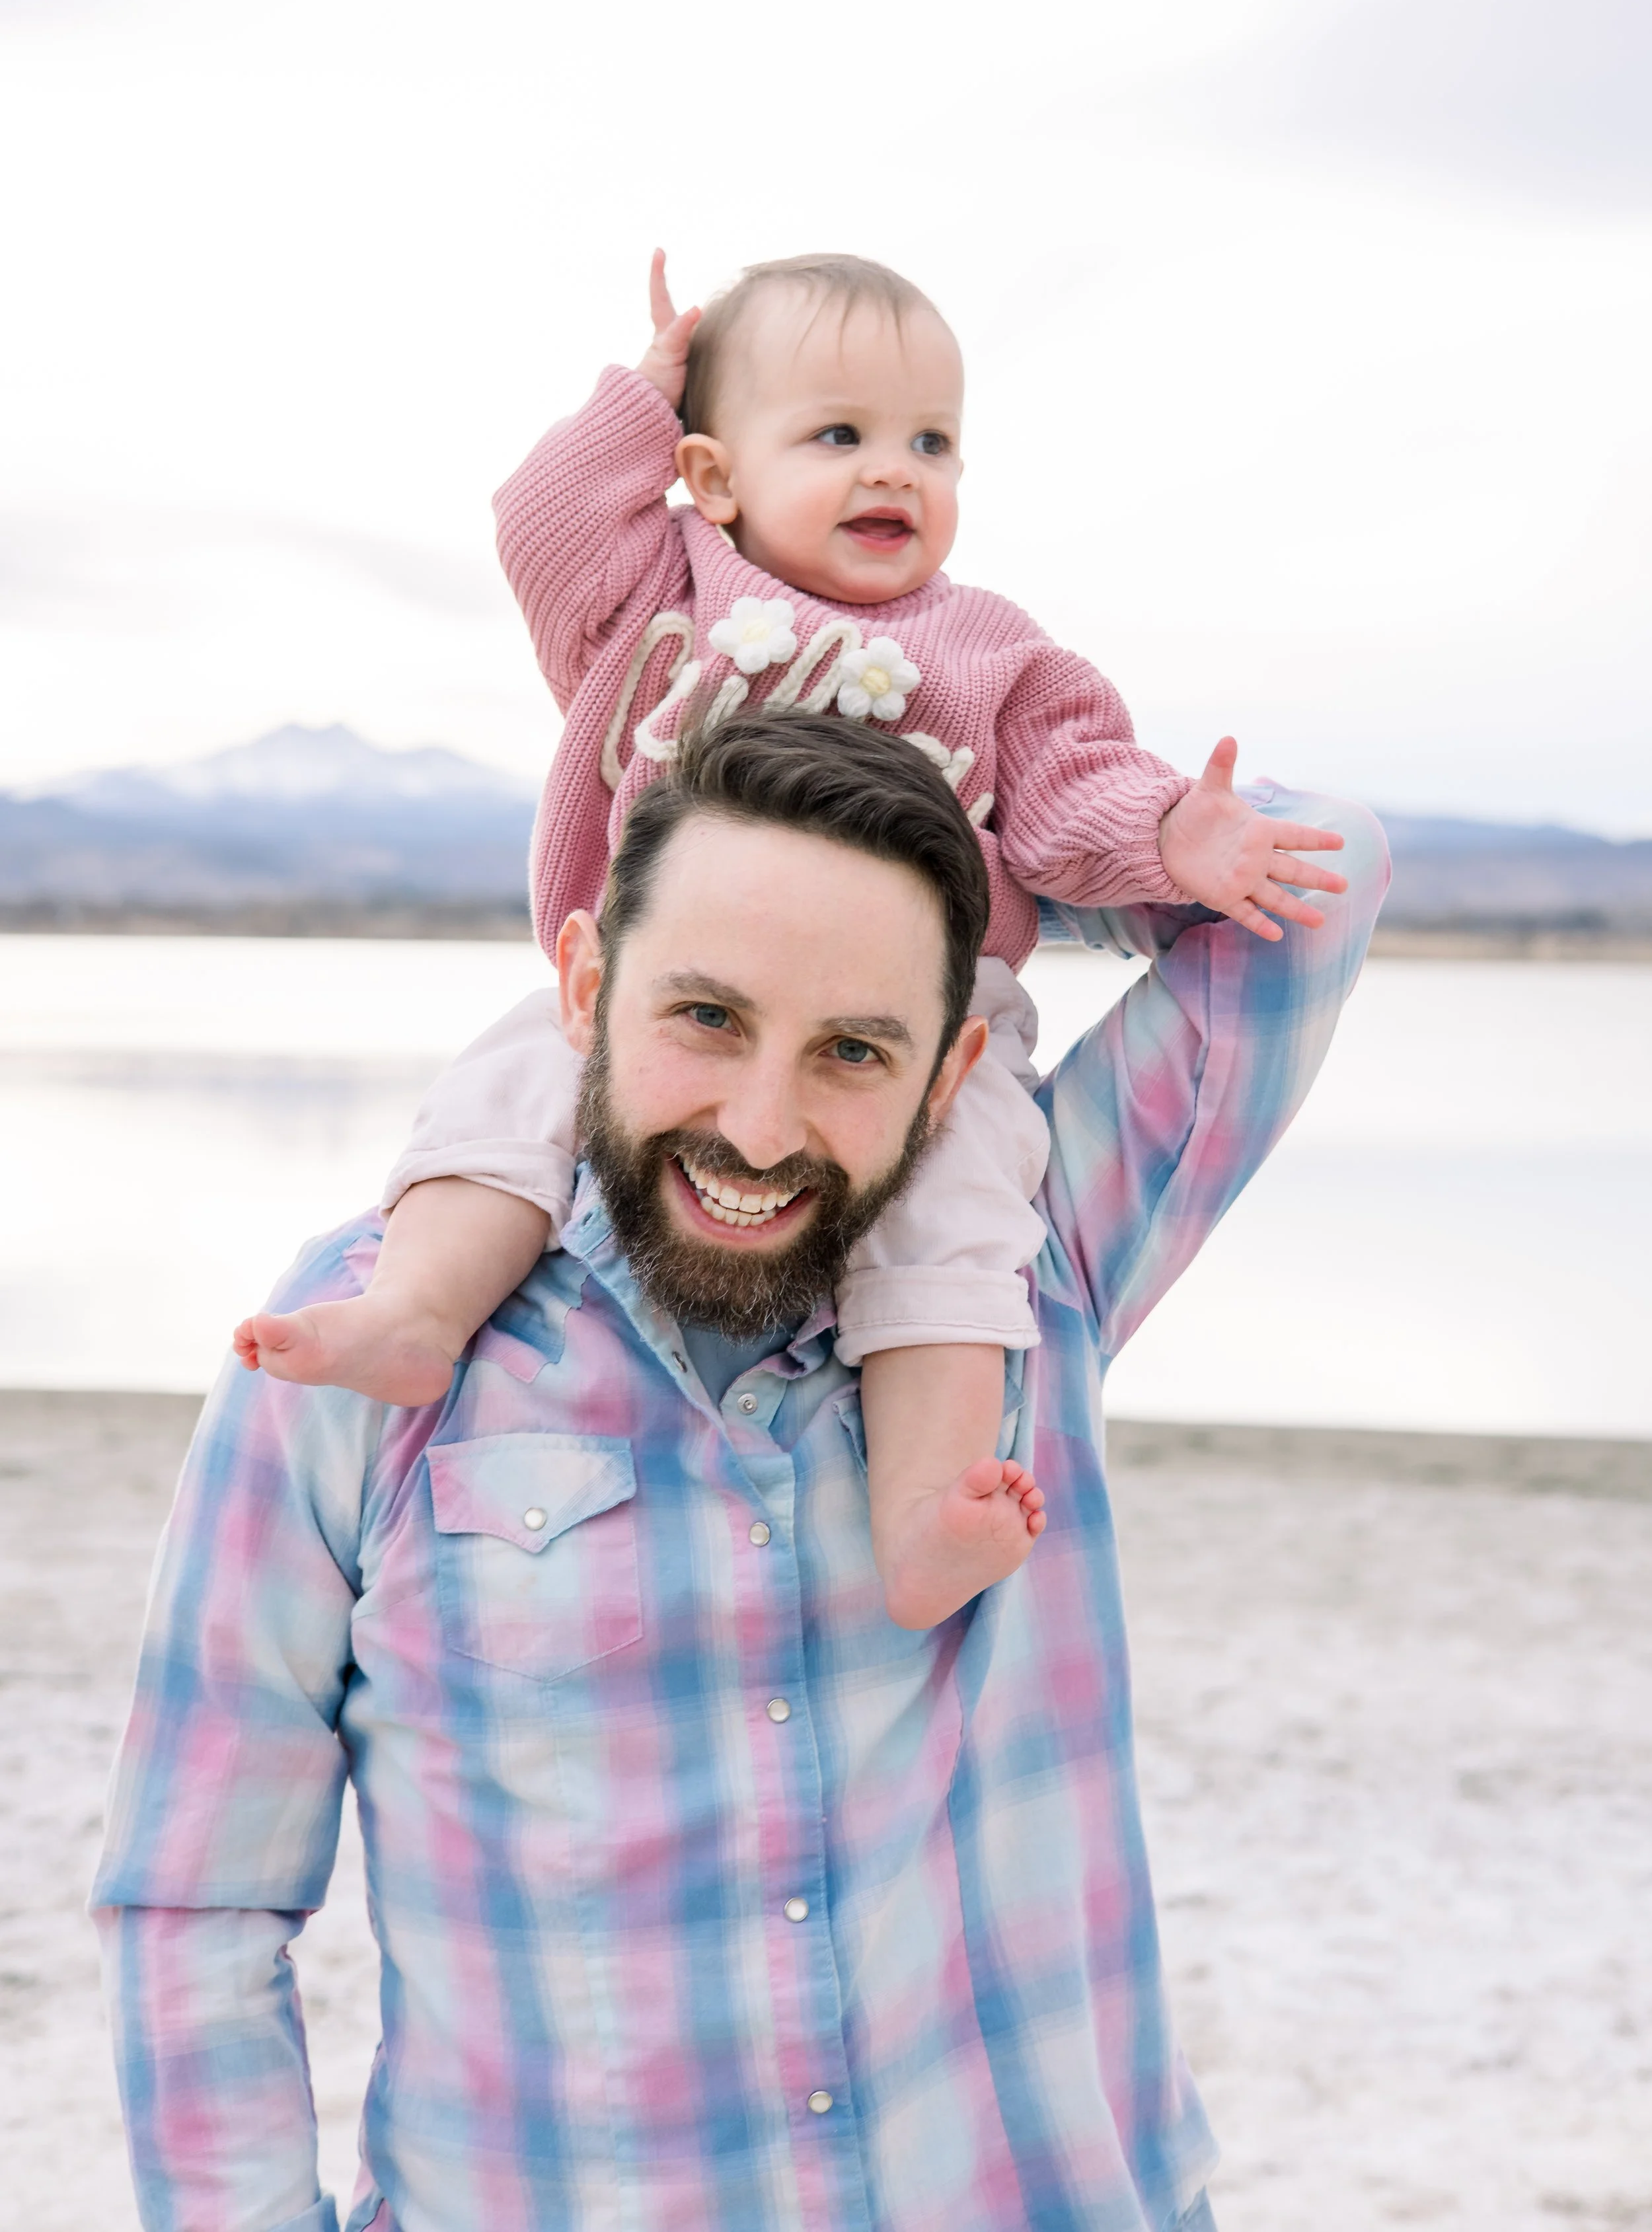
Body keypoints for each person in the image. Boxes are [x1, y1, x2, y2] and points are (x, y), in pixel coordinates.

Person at [95, 707, 1388, 2232]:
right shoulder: (364, 1350)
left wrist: (1057, 825)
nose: (760, 1129)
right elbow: (197, 1895)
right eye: (704, 1018)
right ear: (583, 987)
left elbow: (1326, 873)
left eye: (853, 1050)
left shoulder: (1030, 1281)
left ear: (955, 1070)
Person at [233, 252, 1348, 1629]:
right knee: (500, 1101)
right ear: (709, 476)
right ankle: (418, 1310)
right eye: (838, 435)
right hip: (654, 1003)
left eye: (929, 442)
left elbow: (1070, 787)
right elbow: (542, 529)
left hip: (913, 1035)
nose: (894, 472)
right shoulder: (663, 593)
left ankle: (923, 1512)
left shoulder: (990, 650)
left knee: (959, 1224)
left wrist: (1170, 834)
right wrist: (633, 409)